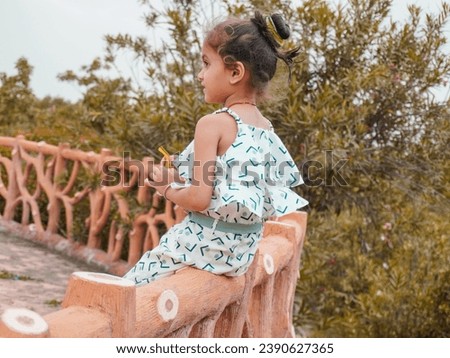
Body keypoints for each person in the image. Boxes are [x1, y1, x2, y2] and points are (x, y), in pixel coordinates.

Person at [123, 10, 308, 286]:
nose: (200, 75)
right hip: (239, 255)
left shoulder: (212, 124)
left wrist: (165, 188)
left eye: (206, 64)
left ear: (235, 72)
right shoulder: (265, 129)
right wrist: (177, 173)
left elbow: (199, 199)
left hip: (203, 244)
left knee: (127, 288)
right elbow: (229, 186)